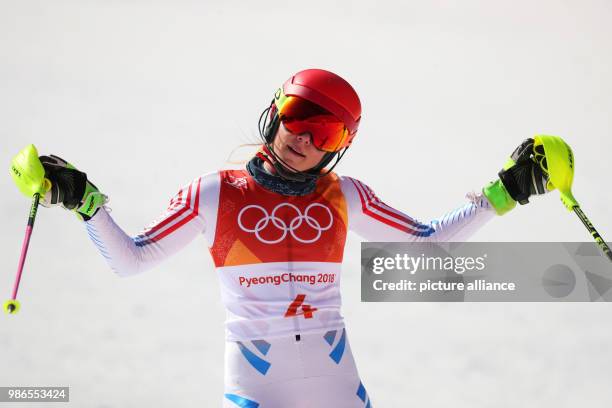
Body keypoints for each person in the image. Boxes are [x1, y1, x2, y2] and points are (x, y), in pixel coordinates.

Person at [10, 68, 554, 407]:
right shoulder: (214, 193)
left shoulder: (346, 195)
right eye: (297, 116)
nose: (304, 138)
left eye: (327, 133)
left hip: (336, 381)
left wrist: (506, 190)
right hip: (256, 384)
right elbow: (132, 260)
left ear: (339, 147)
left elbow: (428, 247)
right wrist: (84, 201)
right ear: (274, 112)